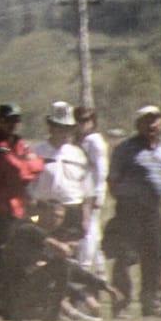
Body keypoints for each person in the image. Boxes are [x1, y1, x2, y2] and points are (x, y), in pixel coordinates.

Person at [106, 105, 161, 317]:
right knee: (126, 256)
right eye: (146, 121)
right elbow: (113, 180)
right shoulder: (125, 148)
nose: (151, 125)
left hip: (153, 210)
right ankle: (121, 304)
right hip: (130, 209)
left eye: (155, 120)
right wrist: (126, 200)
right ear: (138, 125)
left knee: (153, 257)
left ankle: (150, 304)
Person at [0, 103, 45, 247]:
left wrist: (31, 164)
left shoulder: (20, 143)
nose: (13, 124)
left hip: (23, 208)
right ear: (0, 121)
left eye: (16, 120)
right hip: (4, 210)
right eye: (8, 120)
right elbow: (17, 172)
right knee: (5, 252)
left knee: (27, 249)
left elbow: (37, 165)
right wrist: (30, 164)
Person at [28, 102, 93, 238]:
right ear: (50, 127)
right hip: (44, 210)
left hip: (72, 209)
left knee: (70, 252)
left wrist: (86, 218)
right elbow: (28, 188)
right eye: (60, 127)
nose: (64, 132)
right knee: (43, 251)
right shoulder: (36, 152)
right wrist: (33, 216)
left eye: (68, 128)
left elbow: (87, 190)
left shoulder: (78, 154)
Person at [76, 104, 108, 272]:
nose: (81, 124)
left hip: (91, 193)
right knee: (94, 233)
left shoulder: (94, 141)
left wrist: (99, 194)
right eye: (78, 120)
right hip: (82, 192)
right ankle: (100, 271)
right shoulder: (82, 140)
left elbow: (102, 170)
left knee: (87, 230)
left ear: (93, 121)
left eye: (85, 120)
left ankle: (85, 266)